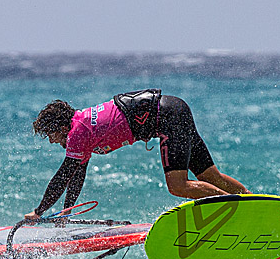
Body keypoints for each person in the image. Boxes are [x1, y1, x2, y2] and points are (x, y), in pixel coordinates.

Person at [24, 89, 249, 222]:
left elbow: (62, 176)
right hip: (175, 108)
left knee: (178, 186)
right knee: (211, 176)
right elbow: (75, 175)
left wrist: (39, 211)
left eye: (51, 134)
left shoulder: (77, 133)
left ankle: (236, 209)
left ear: (62, 128)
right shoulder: (82, 126)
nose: (52, 140)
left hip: (167, 117)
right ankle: (255, 203)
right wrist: (65, 213)